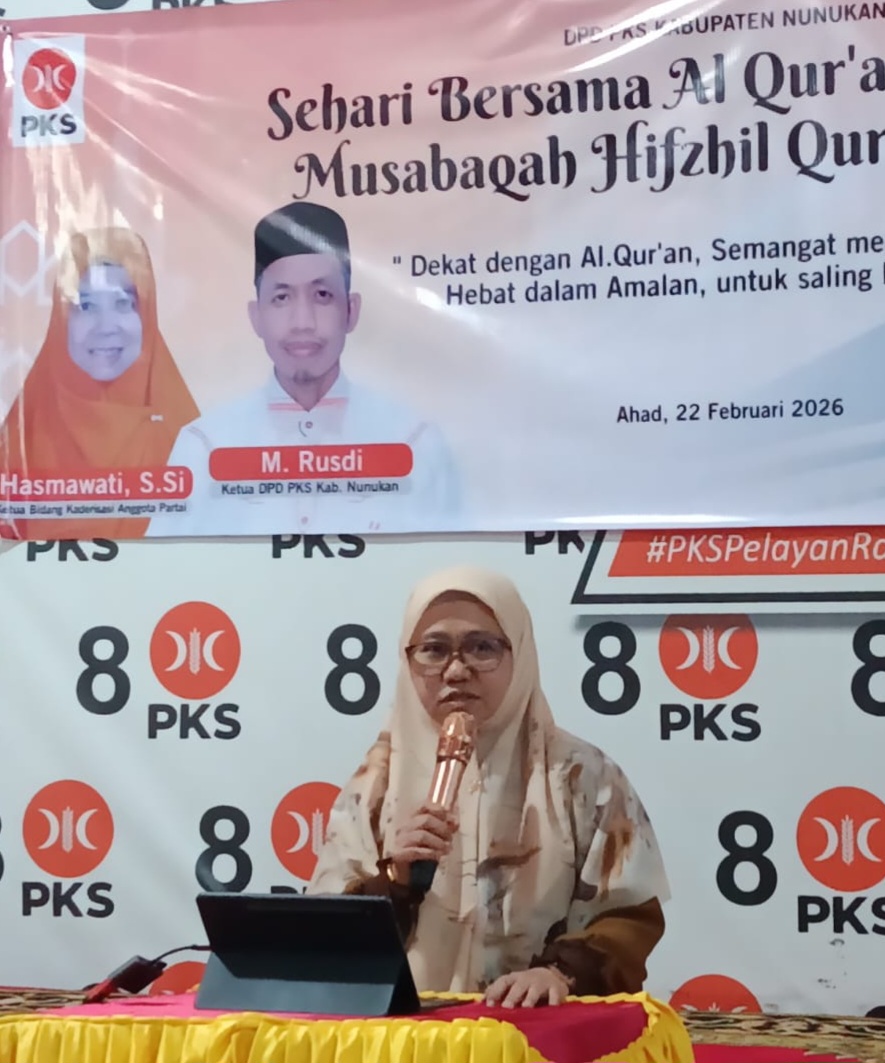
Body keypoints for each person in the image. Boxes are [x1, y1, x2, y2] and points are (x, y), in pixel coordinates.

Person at [307, 566, 670, 1005]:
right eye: (434, 650)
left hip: (531, 1027)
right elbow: (322, 938)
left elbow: (630, 916)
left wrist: (559, 974)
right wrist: (395, 879)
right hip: (405, 1029)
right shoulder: (375, 783)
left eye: (482, 648)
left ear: (520, 653)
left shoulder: (581, 774)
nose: (456, 670)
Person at [148, 202, 461, 537]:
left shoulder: (414, 442)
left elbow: (455, 561)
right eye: (282, 298)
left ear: (351, 311)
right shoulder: (205, 445)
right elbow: (166, 563)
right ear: (256, 316)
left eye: (322, 295)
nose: (302, 322)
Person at [0, 228, 199, 540]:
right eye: (87, 306)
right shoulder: (23, 438)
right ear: (61, 320)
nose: (106, 327)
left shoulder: (185, 437)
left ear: (146, 315)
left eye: (123, 304)